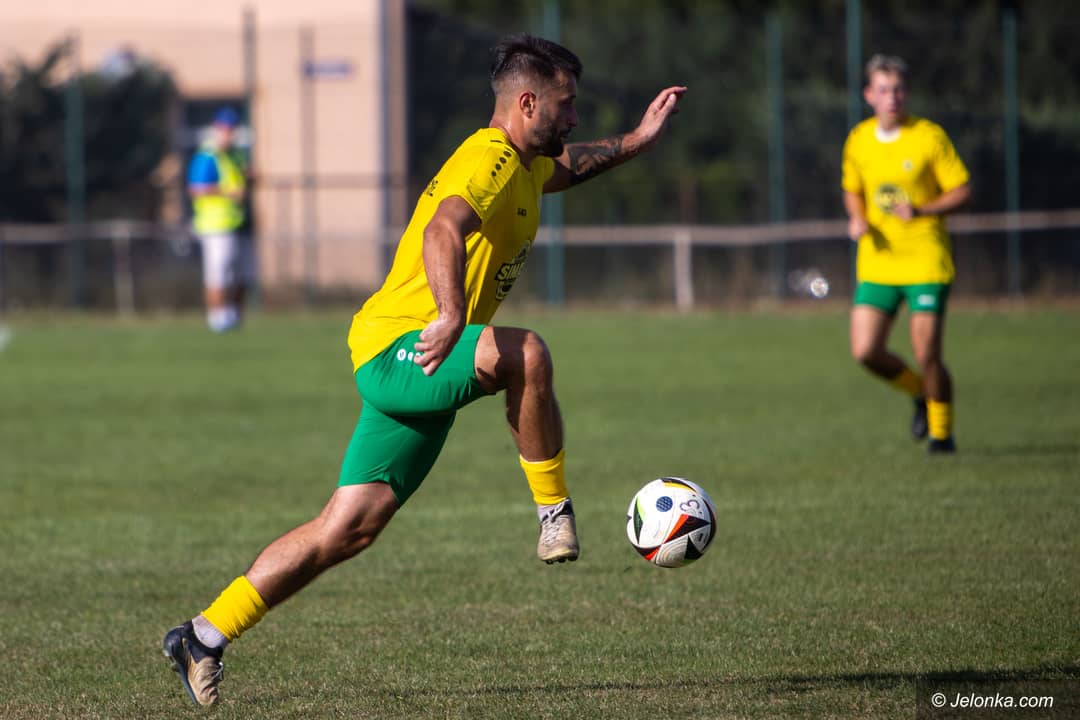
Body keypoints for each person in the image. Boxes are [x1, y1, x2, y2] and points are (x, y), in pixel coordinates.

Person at [163, 33, 686, 706]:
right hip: (404, 348)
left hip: (419, 359)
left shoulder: (527, 163)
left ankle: (202, 635)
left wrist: (639, 139)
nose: (574, 117)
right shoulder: (491, 157)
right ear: (527, 104)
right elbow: (444, 228)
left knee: (347, 528)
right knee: (527, 353)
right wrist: (448, 315)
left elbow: (572, 166)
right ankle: (554, 511)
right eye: (566, 104)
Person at [841, 54, 971, 454]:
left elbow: (961, 190)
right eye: (883, 90)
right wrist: (857, 218)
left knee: (927, 353)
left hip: (925, 260)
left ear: (907, 93)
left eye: (898, 89)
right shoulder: (859, 139)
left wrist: (923, 210)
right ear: (869, 95)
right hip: (878, 261)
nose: (892, 97)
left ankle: (941, 436)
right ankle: (919, 393)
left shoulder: (928, 137)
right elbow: (852, 190)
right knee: (865, 351)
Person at [187, 106, 253, 333]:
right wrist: (228, 193)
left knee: (241, 273)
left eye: (232, 129)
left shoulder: (235, 155)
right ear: (216, 129)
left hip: (237, 223)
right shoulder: (208, 156)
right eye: (225, 129)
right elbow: (196, 189)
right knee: (218, 273)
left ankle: (233, 316)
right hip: (214, 225)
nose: (229, 134)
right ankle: (216, 318)